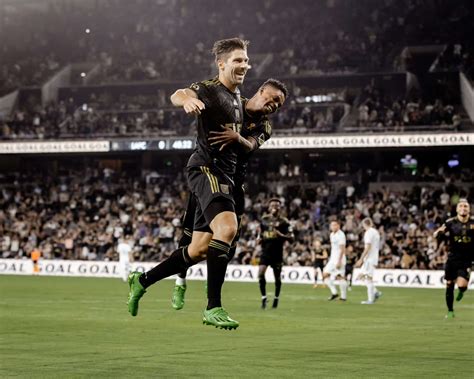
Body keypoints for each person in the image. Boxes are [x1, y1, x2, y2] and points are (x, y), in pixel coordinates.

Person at [126, 37, 251, 330]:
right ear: (221, 64)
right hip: (206, 169)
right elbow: (179, 93)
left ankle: (142, 281)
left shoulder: (238, 99)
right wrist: (188, 100)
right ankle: (213, 307)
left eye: (246, 60)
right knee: (228, 228)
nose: (244, 65)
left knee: (197, 251)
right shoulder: (208, 89)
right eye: (237, 60)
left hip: (226, 176)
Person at [171, 79, 288, 311]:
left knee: (229, 243)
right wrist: (188, 99)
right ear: (261, 91)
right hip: (210, 173)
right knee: (187, 238)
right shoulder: (231, 105)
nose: (275, 104)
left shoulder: (265, 126)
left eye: (279, 104)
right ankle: (180, 282)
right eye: (273, 98)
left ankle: (212, 285)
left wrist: (237, 138)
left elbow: (251, 146)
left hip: (234, 184)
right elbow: (180, 94)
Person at [433, 199, 473, 319]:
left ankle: (462, 290)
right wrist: (438, 234)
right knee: (449, 283)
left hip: (467, 258)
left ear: (469, 209)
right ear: (457, 209)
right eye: (461, 206)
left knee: (461, 286)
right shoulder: (450, 222)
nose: (463, 208)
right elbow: (438, 231)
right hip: (452, 258)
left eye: (466, 206)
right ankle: (450, 311)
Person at [257, 198, 294, 309]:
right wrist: (258, 238)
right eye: (272, 205)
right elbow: (260, 232)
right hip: (265, 252)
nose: (274, 207)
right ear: (269, 207)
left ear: (280, 208)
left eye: (277, 205)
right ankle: (264, 298)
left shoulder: (284, 221)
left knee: (277, 278)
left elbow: (292, 238)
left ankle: (276, 298)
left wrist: (280, 234)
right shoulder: (264, 219)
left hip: (277, 253)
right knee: (260, 274)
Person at [355, 218, 382, 304]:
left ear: (364, 225)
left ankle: (370, 300)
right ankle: (375, 292)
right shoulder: (376, 232)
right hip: (373, 258)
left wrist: (361, 259)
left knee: (367, 278)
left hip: (369, 259)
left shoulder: (368, 233)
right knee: (361, 276)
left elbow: (368, 247)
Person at [323, 220, 348, 301]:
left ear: (338, 226)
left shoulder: (341, 235)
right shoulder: (331, 234)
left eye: (334, 225)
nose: (333, 227)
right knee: (325, 274)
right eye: (332, 225)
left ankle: (343, 297)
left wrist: (339, 261)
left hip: (339, 259)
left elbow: (342, 249)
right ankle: (334, 293)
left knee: (340, 277)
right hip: (332, 259)